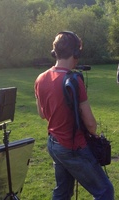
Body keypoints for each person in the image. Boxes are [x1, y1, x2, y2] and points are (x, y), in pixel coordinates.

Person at [34, 31, 114, 200]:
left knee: (62, 193)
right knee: (105, 191)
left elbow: (42, 114)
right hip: (73, 146)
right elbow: (91, 124)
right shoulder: (74, 79)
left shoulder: (40, 78)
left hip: (53, 144)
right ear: (76, 53)